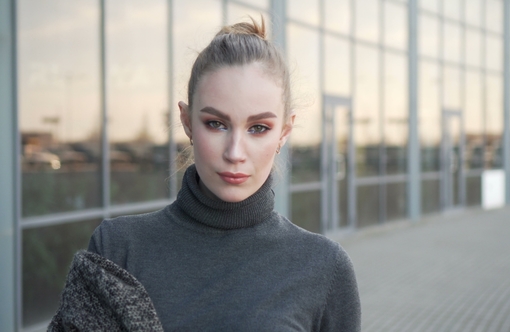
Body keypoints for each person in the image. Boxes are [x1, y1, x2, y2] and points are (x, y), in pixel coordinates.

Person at [54, 17, 361, 331]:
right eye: (216, 123)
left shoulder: (324, 267)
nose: (235, 152)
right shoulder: (117, 250)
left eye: (259, 128)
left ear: (284, 132)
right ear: (187, 121)